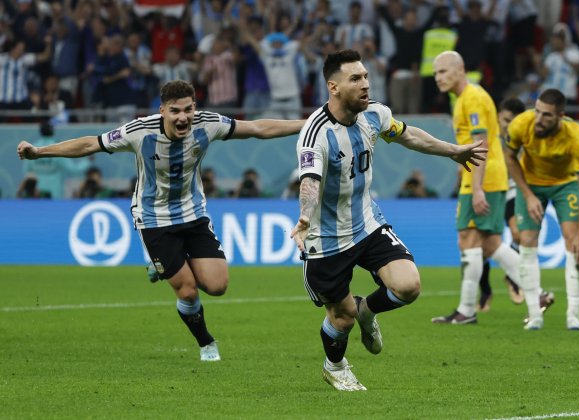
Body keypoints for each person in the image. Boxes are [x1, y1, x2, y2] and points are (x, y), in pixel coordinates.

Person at [17, 80, 304, 362]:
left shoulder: (208, 124)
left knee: (217, 286)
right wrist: (40, 152)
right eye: (175, 111)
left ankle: (163, 265)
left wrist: (307, 123)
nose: (183, 117)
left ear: (195, 108)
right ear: (162, 111)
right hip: (154, 218)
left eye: (188, 110)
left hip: (193, 214)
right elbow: (90, 144)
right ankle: (205, 342)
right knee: (188, 291)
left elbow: (257, 128)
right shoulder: (138, 131)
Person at [290, 49, 486, 392]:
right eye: (356, 79)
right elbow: (310, 181)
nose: (366, 84)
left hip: (366, 222)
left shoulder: (375, 115)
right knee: (342, 317)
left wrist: (453, 150)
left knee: (408, 286)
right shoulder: (315, 133)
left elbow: (409, 135)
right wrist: (305, 218)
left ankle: (369, 310)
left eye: (366, 76)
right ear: (334, 88)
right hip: (326, 237)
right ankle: (335, 366)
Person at [430, 51, 524, 326]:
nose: (438, 78)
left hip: (483, 178)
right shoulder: (464, 98)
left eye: (443, 71)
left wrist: (478, 188)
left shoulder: (472, 98)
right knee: (488, 242)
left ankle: (466, 310)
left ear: (460, 70)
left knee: (468, 240)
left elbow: (480, 146)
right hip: (481, 176)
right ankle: (537, 294)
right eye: (436, 73)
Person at [505, 88, 579, 331]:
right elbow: (510, 157)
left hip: (565, 186)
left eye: (547, 116)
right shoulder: (521, 125)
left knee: (574, 244)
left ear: (561, 116)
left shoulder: (575, 136)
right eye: (538, 112)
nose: (539, 119)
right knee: (527, 241)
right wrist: (527, 194)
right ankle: (535, 314)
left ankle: (573, 315)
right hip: (530, 185)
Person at [476, 98, 526, 312]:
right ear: (498, 116)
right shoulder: (488, 134)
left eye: (513, 121)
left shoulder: (522, 137)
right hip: (491, 189)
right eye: (506, 120)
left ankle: (512, 277)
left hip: (512, 190)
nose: (508, 125)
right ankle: (485, 291)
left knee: (518, 234)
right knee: (480, 245)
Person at [23, 122, 91, 199]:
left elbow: (27, 172)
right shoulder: (57, 148)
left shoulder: (32, 148)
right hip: (55, 194)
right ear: (53, 132)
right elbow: (72, 169)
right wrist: (87, 161)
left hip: (36, 194)